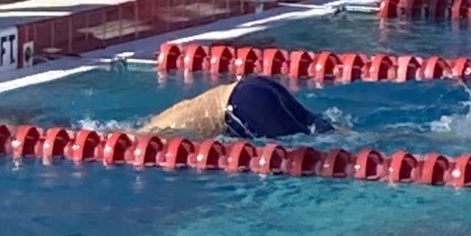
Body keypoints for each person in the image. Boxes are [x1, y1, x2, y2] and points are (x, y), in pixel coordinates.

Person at [141, 75, 333, 140]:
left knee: (302, 147)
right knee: (326, 132)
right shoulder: (159, 120)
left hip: (243, 104)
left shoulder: (152, 136)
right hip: (253, 85)